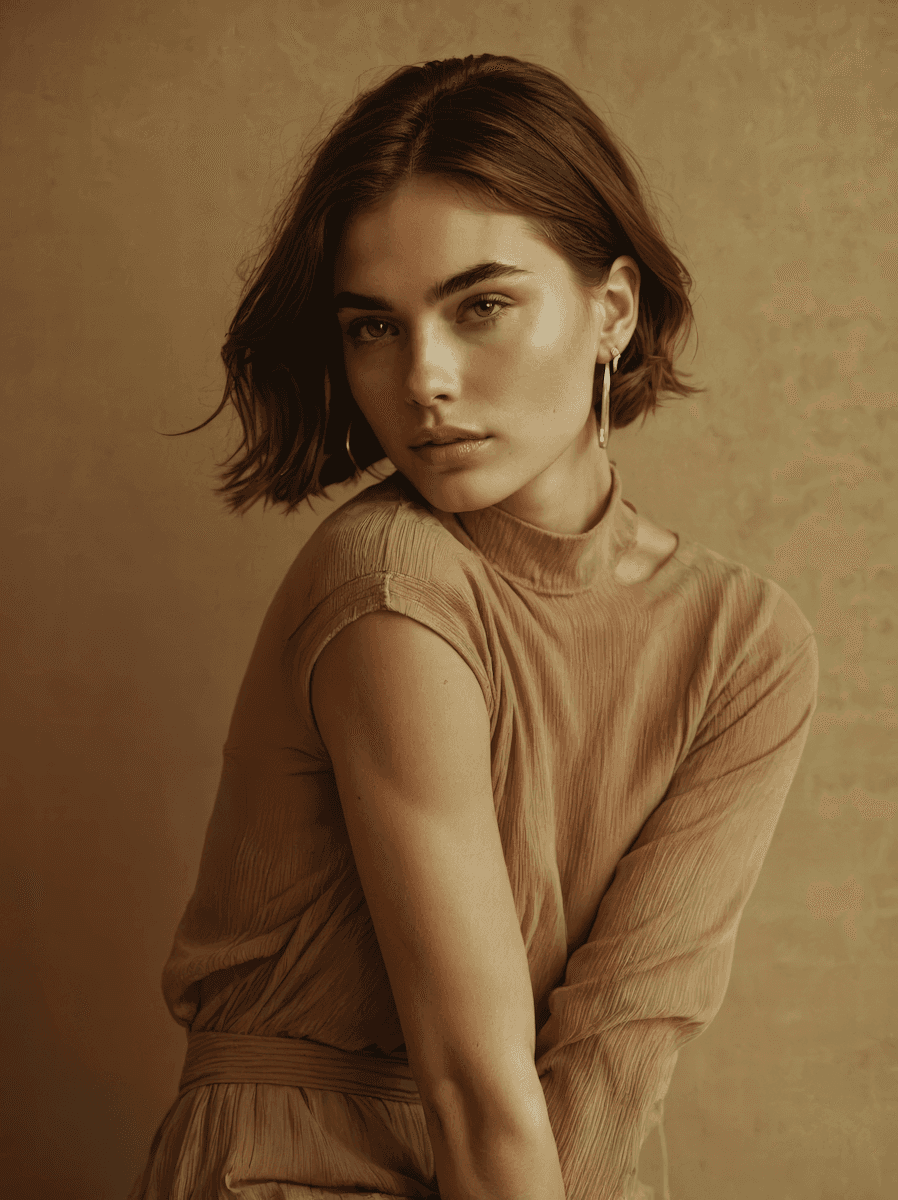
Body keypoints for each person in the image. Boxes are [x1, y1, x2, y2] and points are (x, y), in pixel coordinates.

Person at [129, 54, 818, 1200]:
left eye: (480, 305)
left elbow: (622, 1041)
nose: (425, 378)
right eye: (373, 327)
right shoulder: (391, 579)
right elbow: (470, 1082)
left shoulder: (742, 643)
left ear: (611, 308)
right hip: (295, 1171)